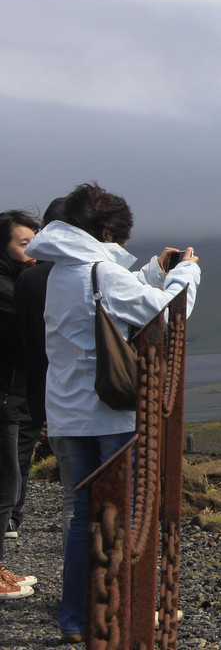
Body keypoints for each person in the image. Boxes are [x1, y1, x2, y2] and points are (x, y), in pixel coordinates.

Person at [24, 183, 201, 642]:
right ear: (104, 230)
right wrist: (187, 275)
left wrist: (150, 272)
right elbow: (165, 317)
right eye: (119, 235)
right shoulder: (100, 270)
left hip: (67, 414)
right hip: (112, 416)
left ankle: (77, 618)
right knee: (128, 517)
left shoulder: (62, 271)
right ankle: (124, 615)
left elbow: (106, 307)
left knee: (84, 517)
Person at [11, 198, 66, 539]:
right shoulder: (90, 272)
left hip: (29, 372)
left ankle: (12, 513)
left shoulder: (28, 279)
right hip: (72, 376)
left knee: (22, 442)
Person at [0, 209, 41, 599]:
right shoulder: (6, 290)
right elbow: (22, 337)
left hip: (11, 395)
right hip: (4, 396)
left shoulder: (13, 282)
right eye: (23, 244)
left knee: (9, 480)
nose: (31, 252)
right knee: (5, 482)